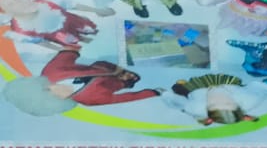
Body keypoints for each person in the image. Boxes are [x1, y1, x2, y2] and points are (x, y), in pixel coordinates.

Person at [2, 49, 160, 116]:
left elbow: (69, 50)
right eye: (49, 95)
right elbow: (126, 98)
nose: (51, 87)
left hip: (110, 58)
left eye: (44, 87)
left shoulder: (52, 71)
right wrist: (154, 92)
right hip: (134, 78)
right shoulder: (90, 99)